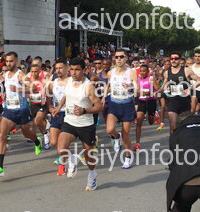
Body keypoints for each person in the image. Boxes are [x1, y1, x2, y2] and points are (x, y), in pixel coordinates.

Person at [54, 57, 103, 190]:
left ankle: (92, 175)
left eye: (77, 70)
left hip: (85, 124)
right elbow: (66, 94)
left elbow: (99, 107)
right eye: (71, 70)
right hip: (69, 122)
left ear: (84, 70)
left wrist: (84, 110)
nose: (73, 73)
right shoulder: (69, 80)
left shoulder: (88, 87)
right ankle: (72, 159)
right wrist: (59, 107)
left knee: (89, 157)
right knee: (61, 150)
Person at [0, 52, 42, 178]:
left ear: (16, 61)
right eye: (7, 61)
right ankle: (0, 167)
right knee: (2, 135)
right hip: (9, 110)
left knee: (26, 133)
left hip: (22, 110)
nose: (8, 64)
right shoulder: (5, 75)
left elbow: (34, 89)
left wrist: (18, 89)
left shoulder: (21, 76)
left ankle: (37, 141)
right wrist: (3, 93)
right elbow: (3, 86)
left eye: (11, 61)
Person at [102, 50, 138, 169]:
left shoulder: (131, 72)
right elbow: (108, 85)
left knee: (126, 135)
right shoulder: (111, 73)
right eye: (117, 57)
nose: (119, 59)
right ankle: (116, 137)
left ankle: (127, 158)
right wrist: (104, 97)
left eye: (121, 57)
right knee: (110, 129)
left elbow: (137, 88)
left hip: (127, 105)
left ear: (126, 58)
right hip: (114, 104)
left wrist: (130, 87)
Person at [160, 53, 200, 132]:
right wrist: (158, 91)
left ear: (179, 60)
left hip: (185, 102)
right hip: (173, 101)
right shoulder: (167, 72)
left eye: (176, 58)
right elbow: (164, 85)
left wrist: (190, 88)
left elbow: (199, 80)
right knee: (173, 126)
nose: (173, 60)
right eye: (172, 59)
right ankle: (173, 140)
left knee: (185, 126)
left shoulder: (186, 70)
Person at [46, 58, 69, 174]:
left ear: (67, 68)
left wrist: (59, 107)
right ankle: (64, 156)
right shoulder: (53, 82)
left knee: (62, 144)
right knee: (53, 142)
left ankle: (62, 165)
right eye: (57, 68)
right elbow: (48, 97)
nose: (58, 70)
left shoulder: (71, 81)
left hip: (68, 114)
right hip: (56, 114)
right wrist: (50, 107)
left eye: (61, 68)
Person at [134, 64, 159, 150]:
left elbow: (158, 89)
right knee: (139, 121)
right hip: (141, 101)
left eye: (144, 71)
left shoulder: (151, 78)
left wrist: (150, 91)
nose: (142, 73)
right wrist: (139, 92)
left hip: (151, 101)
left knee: (151, 121)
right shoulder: (138, 80)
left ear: (148, 72)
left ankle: (155, 115)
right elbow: (136, 91)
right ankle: (137, 143)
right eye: (141, 71)